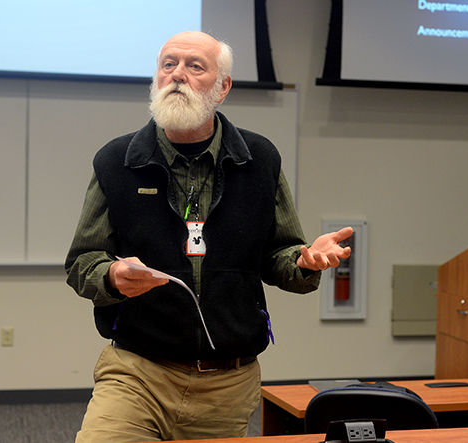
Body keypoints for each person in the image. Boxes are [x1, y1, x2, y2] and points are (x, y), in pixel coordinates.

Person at [65, 30, 352, 442]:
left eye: (194, 66)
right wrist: (111, 277)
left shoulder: (259, 160)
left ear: (223, 87)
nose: (177, 75)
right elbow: (82, 262)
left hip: (226, 384)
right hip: (136, 373)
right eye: (168, 64)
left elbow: (279, 255)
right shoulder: (116, 161)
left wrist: (304, 261)